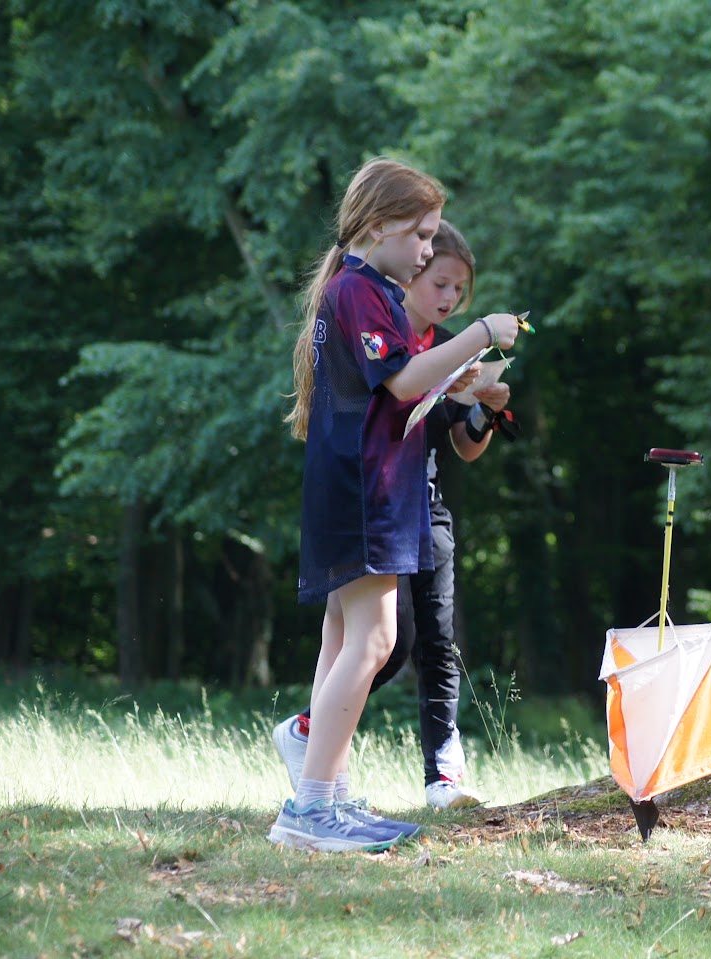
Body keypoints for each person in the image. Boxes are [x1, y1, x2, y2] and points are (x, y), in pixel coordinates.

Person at [273, 158, 519, 853]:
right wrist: (482, 334)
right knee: (378, 640)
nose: (424, 252)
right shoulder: (360, 292)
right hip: (361, 492)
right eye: (419, 236)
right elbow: (404, 380)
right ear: (376, 226)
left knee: (343, 639)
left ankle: (326, 793)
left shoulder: (360, 288)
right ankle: (311, 810)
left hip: (357, 489)